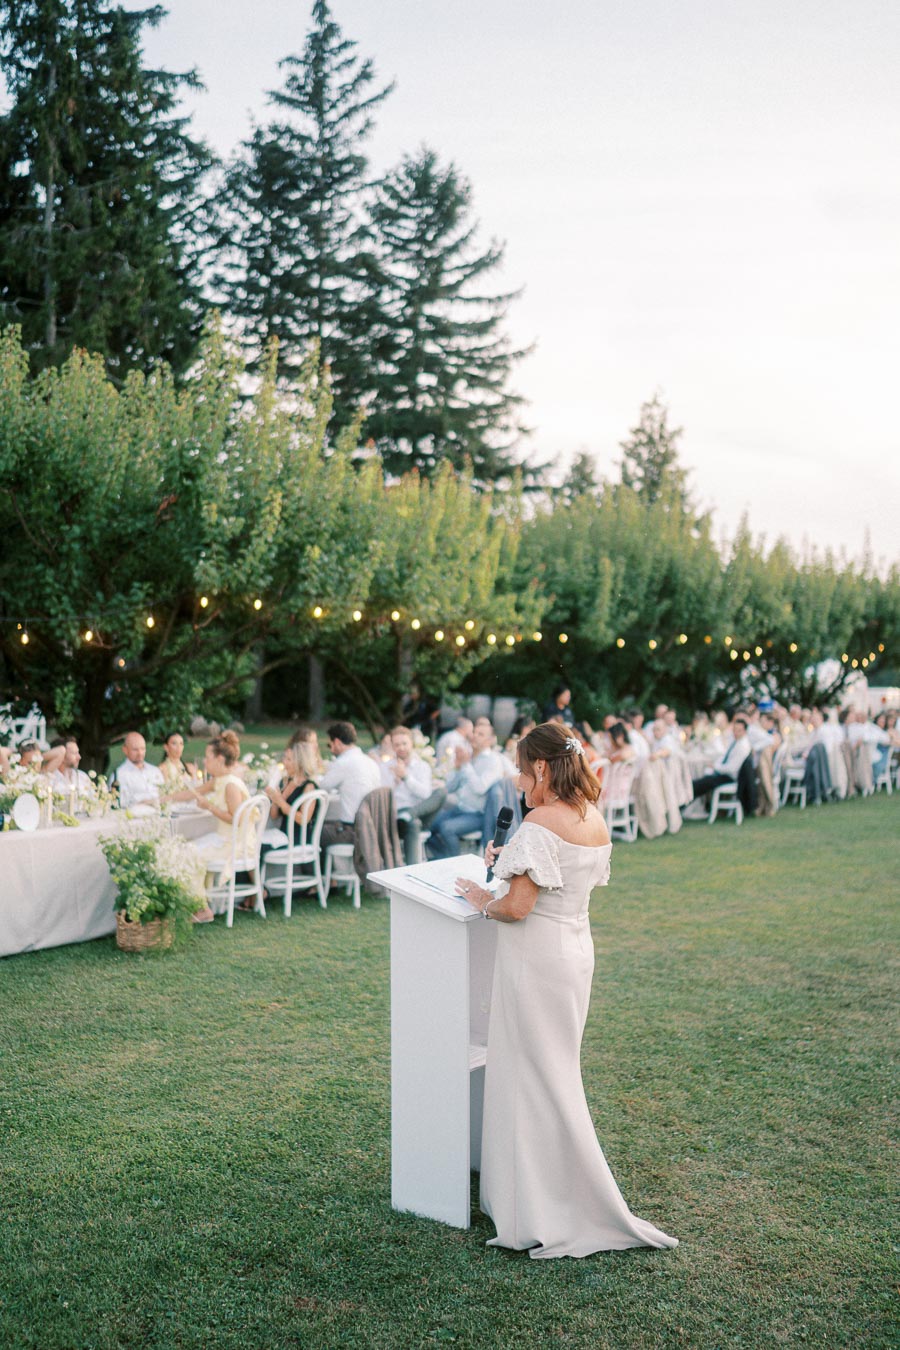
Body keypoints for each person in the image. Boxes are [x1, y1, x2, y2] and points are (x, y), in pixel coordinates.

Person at [454, 722, 678, 1258]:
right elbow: (559, 886)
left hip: (536, 959)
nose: (515, 777)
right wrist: (507, 866)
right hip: (574, 952)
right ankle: (548, 1189)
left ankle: (539, 1204)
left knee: (531, 1075)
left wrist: (478, 897)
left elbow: (517, 907)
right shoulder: (592, 817)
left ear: (541, 768)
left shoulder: (537, 823)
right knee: (553, 1072)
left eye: (520, 767)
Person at [188, 730, 252, 918]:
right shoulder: (221, 780)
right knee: (191, 847)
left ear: (219, 759)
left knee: (191, 853)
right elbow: (193, 792)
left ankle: (203, 908)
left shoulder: (230, 785)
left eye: (208, 757)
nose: (205, 762)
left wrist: (209, 806)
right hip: (226, 839)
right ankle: (202, 902)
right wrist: (161, 798)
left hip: (233, 843)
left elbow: (236, 819)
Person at [427, 720, 507, 859]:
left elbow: (480, 788)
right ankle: (442, 858)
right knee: (429, 824)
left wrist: (465, 765)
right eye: (474, 732)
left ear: (489, 740)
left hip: (478, 815)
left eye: (480, 734)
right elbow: (450, 787)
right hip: (460, 809)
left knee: (447, 828)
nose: (474, 736)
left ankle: (455, 864)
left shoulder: (493, 761)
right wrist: (458, 766)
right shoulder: (468, 755)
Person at [379, 725, 445, 865]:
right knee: (412, 823)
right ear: (392, 746)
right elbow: (383, 797)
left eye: (404, 743)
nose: (401, 748)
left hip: (421, 812)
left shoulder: (422, 766)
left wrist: (406, 777)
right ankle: (411, 872)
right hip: (397, 817)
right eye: (397, 745)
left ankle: (410, 814)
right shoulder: (386, 767)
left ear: (411, 744)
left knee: (441, 792)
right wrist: (395, 781)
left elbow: (425, 794)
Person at [319, 721, 381, 854]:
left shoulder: (343, 762)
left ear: (336, 742)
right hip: (373, 828)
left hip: (353, 831)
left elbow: (323, 786)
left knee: (314, 832)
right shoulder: (370, 762)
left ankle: (322, 873)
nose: (330, 748)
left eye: (330, 744)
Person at [115, 731, 165, 809]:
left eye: (143, 749)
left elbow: (164, 794)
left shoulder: (155, 771)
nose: (140, 753)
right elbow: (121, 804)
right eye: (135, 750)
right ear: (125, 750)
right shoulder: (119, 775)